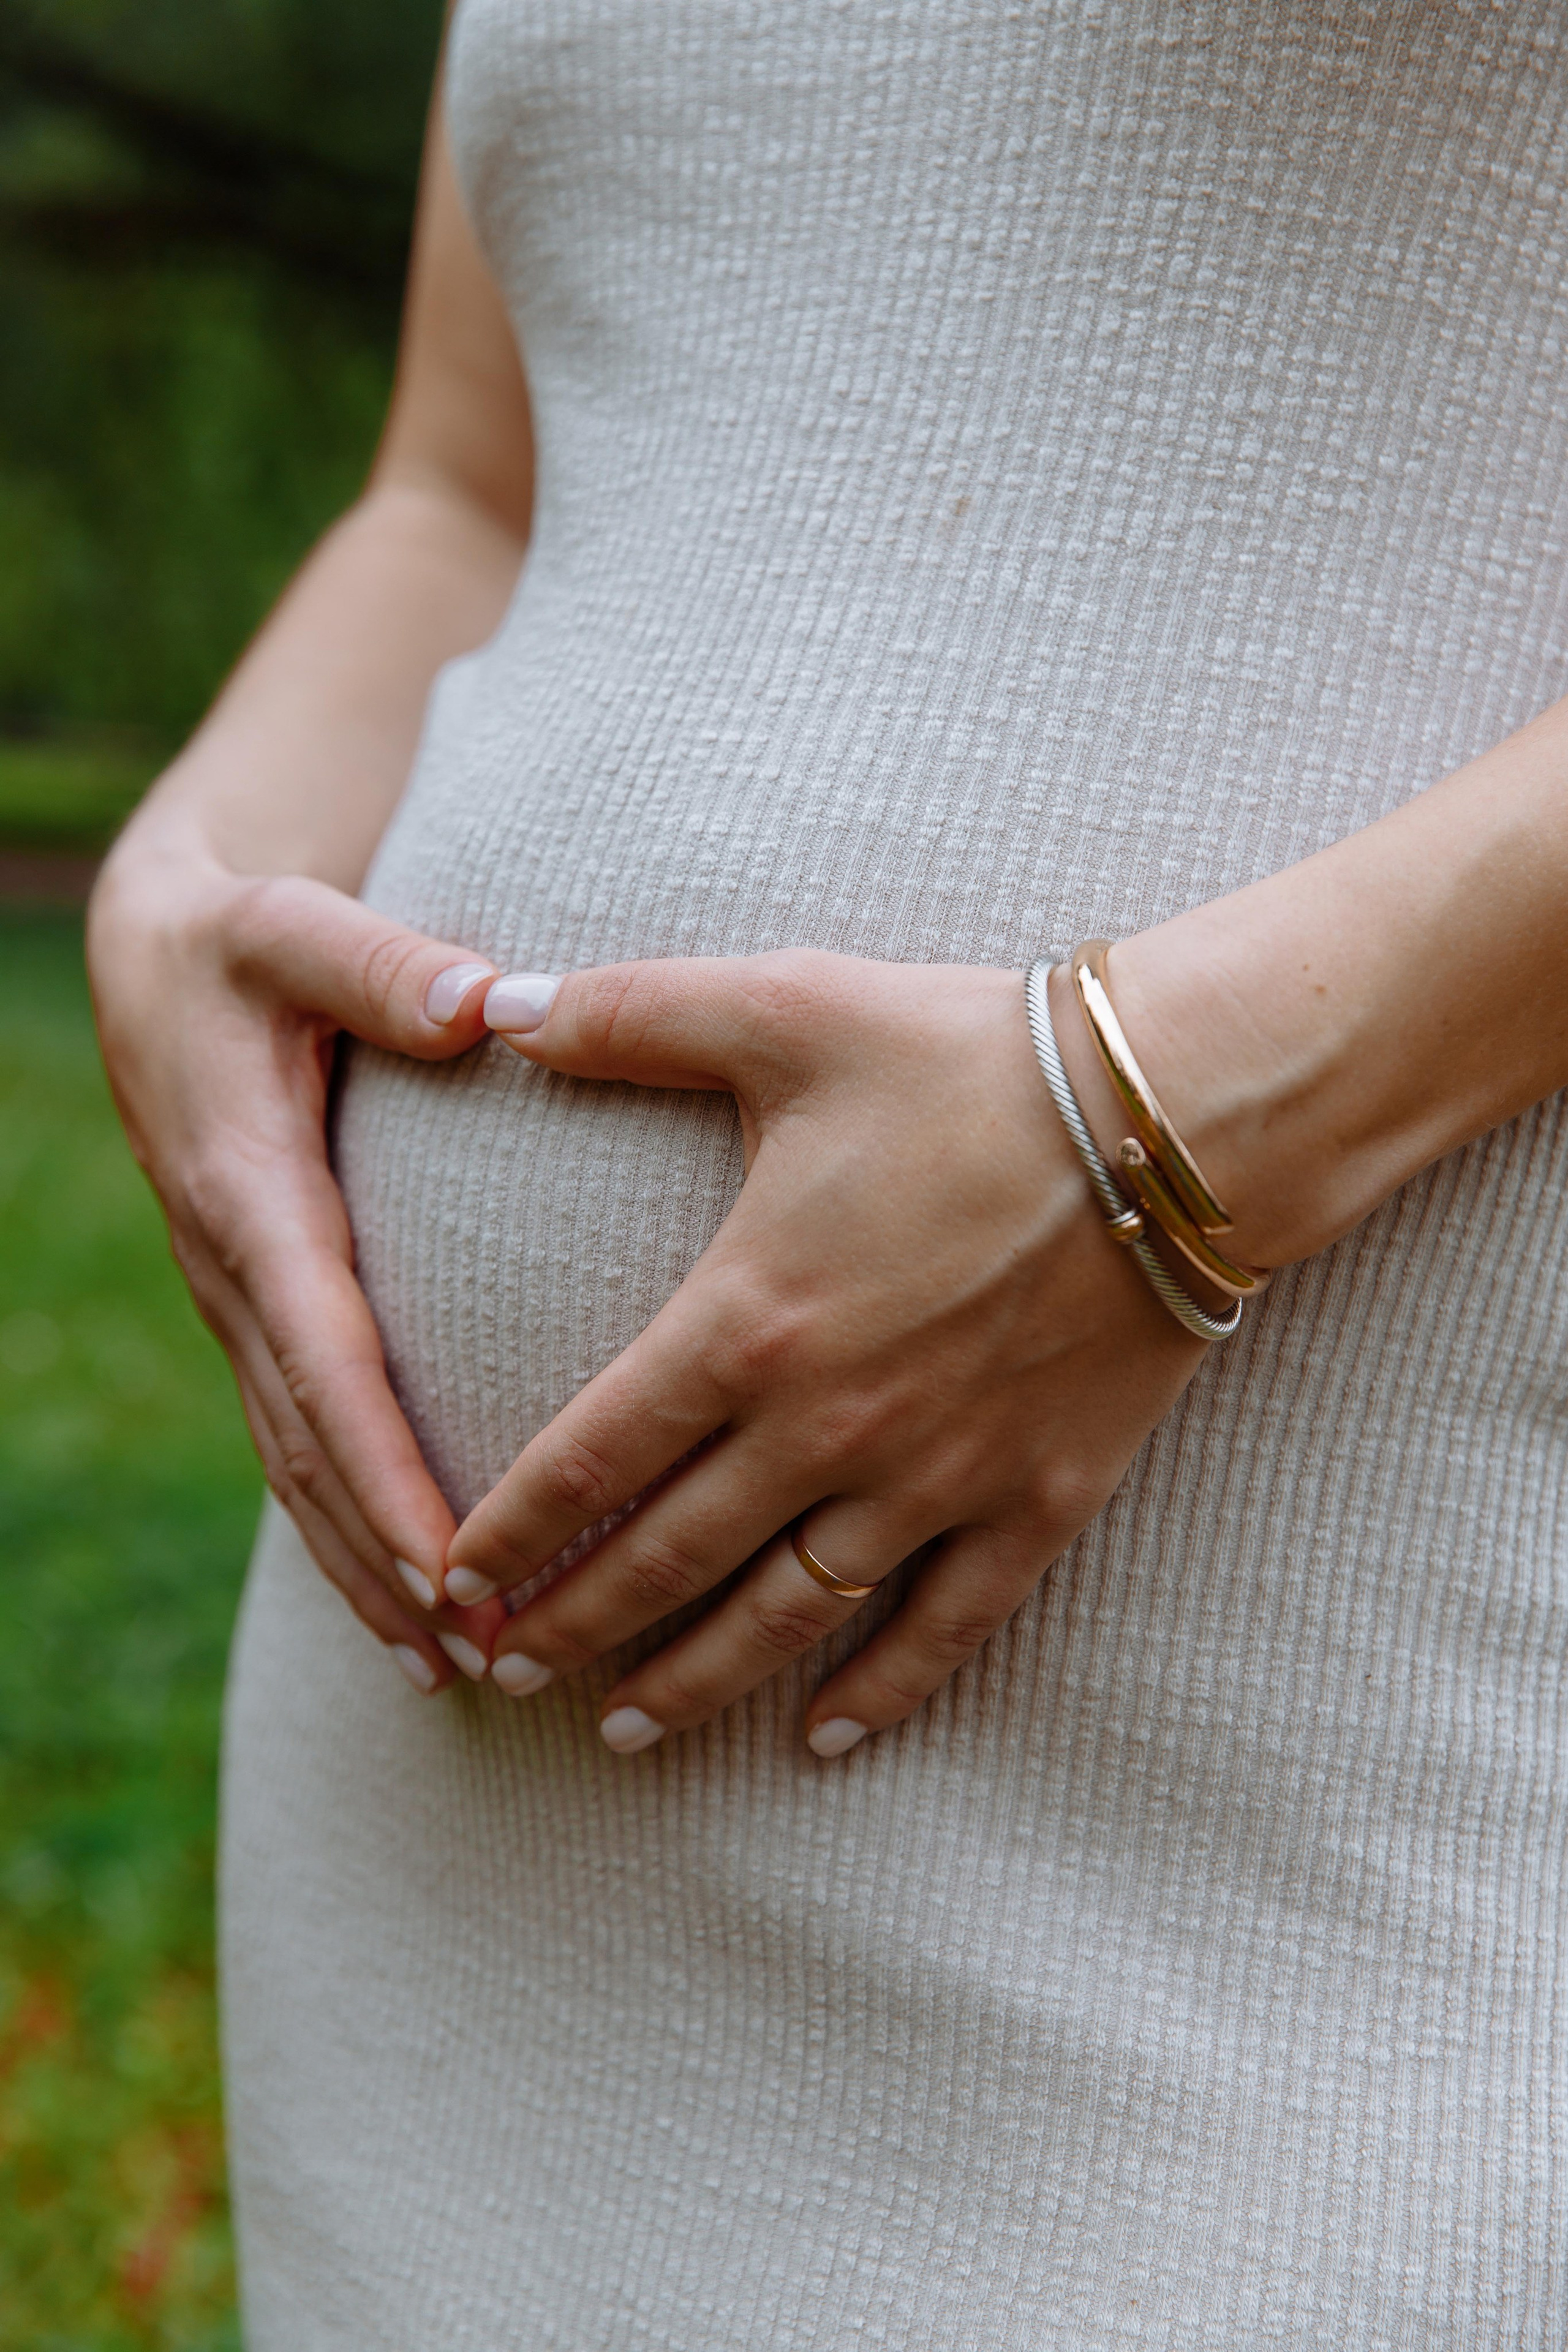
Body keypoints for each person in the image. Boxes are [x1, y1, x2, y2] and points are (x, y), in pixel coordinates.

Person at [88, 1, 1568, 2343]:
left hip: (1301, 1783)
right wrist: (195, 878)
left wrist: (1157, 1129)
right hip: (458, 1869)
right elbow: (473, 480)